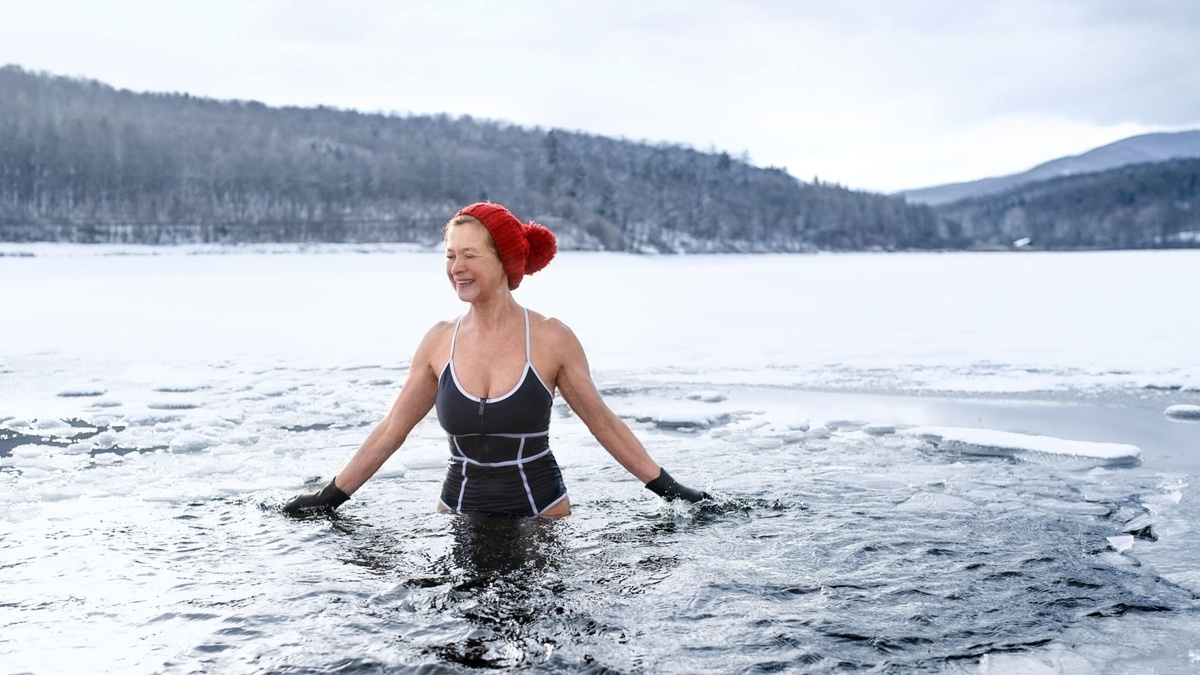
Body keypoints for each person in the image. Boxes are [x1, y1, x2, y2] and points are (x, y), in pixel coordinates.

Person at [285, 202, 710, 517]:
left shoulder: (550, 338)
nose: (457, 267)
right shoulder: (438, 342)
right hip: (457, 515)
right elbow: (393, 428)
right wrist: (331, 496)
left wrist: (671, 491)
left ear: (504, 261)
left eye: (470, 255)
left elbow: (603, 423)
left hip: (541, 517)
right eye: (451, 255)